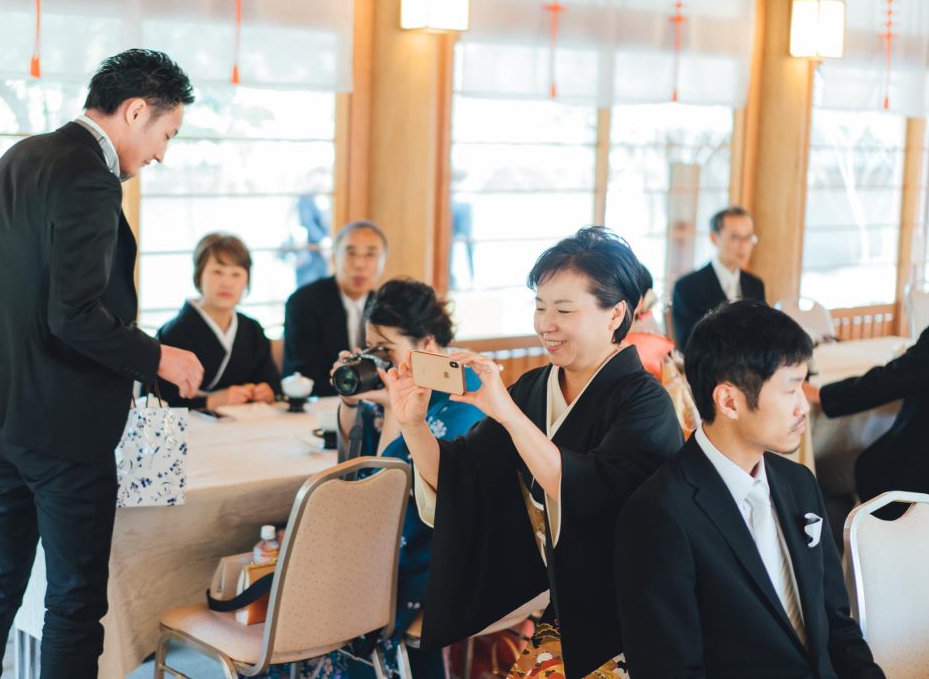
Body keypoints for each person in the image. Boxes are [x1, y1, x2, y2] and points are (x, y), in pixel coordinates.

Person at [0, 49, 204, 679]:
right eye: (165, 134)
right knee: (74, 600)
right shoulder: (91, 177)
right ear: (136, 110)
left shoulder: (19, 158)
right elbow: (73, 315)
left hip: (2, 418)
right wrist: (158, 356)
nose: (162, 153)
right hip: (64, 427)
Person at [384, 227, 684, 678]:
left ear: (615, 313)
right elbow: (458, 478)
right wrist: (412, 424)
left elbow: (590, 492)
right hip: (566, 615)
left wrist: (507, 415)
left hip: (633, 620)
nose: (545, 324)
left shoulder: (645, 402)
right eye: (540, 307)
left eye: (564, 309)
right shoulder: (535, 389)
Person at [615, 300, 884, 679]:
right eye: (791, 390)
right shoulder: (658, 514)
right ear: (729, 401)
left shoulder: (799, 482)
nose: (803, 408)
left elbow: (838, 627)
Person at [270, 279, 485, 679]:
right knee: (297, 548)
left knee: (323, 564)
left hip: (434, 545)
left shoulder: (465, 396)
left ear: (428, 342)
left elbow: (385, 494)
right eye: (370, 350)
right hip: (388, 533)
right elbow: (355, 461)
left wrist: (393, 413)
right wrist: (353, 401)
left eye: (386, 350)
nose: (379, 361)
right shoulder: (404, 380)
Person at [805, 323, 929, 520]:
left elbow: (891, 379)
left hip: (916, 477)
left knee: (815, 476)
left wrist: (822, 394)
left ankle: (850, 542)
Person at [155, 233, 280, 410]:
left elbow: (271, 381)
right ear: (199, 276)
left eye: (236, 274)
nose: (227, 283)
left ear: (246, 281)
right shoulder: (173, 333)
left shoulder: (252, 329)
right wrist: (210, 402)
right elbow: (157, 399)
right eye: (217, 272)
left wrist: (266, 391)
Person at [282, 220, 387, 396]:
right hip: (321, 404)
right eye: (351, 253)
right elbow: (303, 371)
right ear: (333, 257)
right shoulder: (304, 301)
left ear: (383, 260)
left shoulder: (387, 306)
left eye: (370, 255)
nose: (360, 264)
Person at [671, 206, 766, 351]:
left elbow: (765, 334)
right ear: (714, 238)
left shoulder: (755, 285)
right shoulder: (687, 287)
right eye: (735, 237)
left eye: (748, 238)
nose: (743, 246)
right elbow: (688, 344)